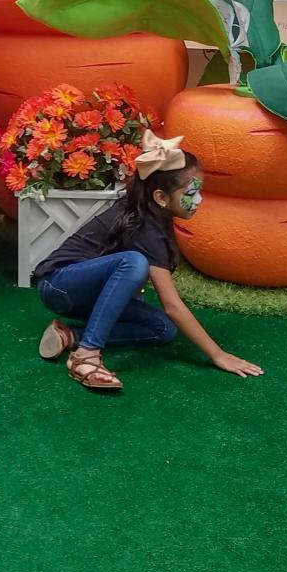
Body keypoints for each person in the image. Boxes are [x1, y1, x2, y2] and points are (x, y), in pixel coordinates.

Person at [33, 130, 264, 392]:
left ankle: (70, 335)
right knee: (133, 262)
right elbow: (172, 305)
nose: (199, 200)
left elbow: (165, 315)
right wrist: (218, 355)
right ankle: (86, 355)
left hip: (82, 296)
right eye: (191, 193)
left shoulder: (152, 215)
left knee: (162, 329)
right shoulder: (146, 226)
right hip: (58, 284)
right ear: (161, 198)